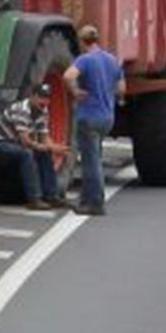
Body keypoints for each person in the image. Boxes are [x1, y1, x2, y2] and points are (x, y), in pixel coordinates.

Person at [65, 26, 125, 216]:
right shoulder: (112, 60)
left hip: (89, 116)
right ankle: (86, 199)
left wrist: (75, 91)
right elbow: (122, 89)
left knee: (91, 162)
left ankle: (95, 203)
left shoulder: (85, 59)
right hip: (107, 117)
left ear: (82, 42)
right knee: (95, 156)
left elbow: (68, 76)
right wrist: (107, 92)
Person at [0, 86, 66, 211]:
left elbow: (45, 137)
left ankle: (52, 195)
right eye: (41, 97)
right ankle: (34, 199)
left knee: (45, 152)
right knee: (26, 154)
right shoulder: (21, 110)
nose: (44, 101)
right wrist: (41, 146)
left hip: (17, 143)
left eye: (47, 98)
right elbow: (25, 141)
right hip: (0, 144)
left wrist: (55, 148)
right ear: (32, 96)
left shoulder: (43, 111)